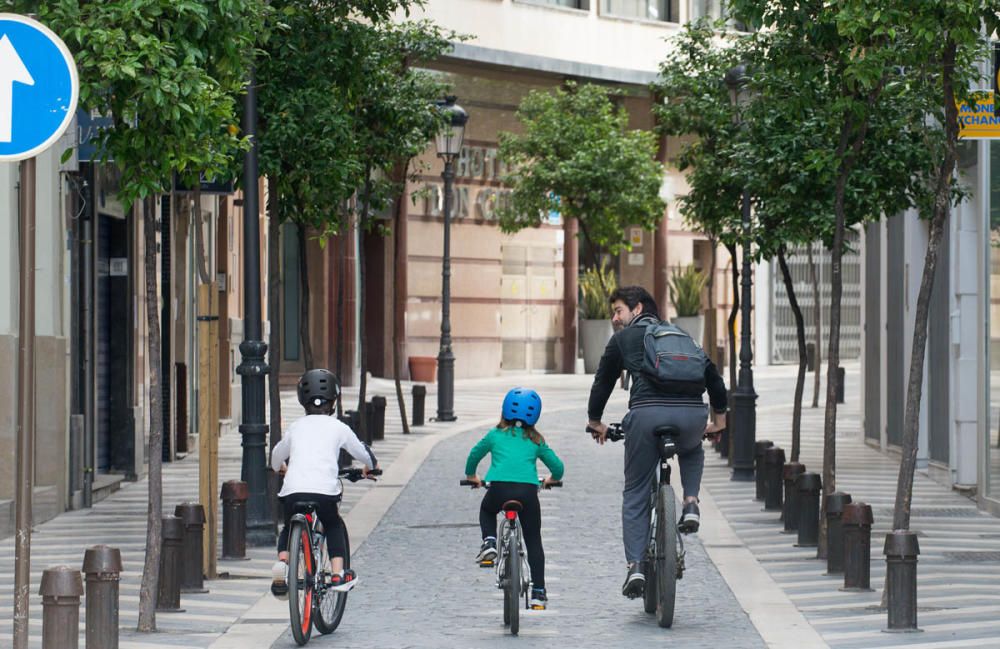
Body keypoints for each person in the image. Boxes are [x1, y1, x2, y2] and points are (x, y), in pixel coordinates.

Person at [586, 286, 726, 599]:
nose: (615, 317)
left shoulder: (623, 339)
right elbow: (712, 375)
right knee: (692, 449)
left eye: (619, 310)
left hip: (647, 417)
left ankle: (635, 566)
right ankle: (690, 502)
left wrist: (595, 421)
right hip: (692, 415)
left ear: (637, 309)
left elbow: (603, 381)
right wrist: (719, 421)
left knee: (636, 491)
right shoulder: (680, 334)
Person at [269, 368, 378, 598]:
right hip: (325, 492)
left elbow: (276, 456)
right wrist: (369, 467)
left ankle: (284, 563)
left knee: (289, 527)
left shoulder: (296, 427)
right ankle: (338, 575)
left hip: (293, 491)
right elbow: (362, 452)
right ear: (334, 400)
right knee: (332, 524)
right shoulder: (339, 427)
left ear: (302, 400)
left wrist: (281, 467)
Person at [465, 388, 564, 611]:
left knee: (487, 510)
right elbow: (558, 467)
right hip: (527, 493)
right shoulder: (536, 440)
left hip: (498, 490)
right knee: (533, 540)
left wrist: (472, 476)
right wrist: (551, 479)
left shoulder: (494, 435)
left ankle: (489, 541)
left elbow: (474, 455)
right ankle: (538, 592)